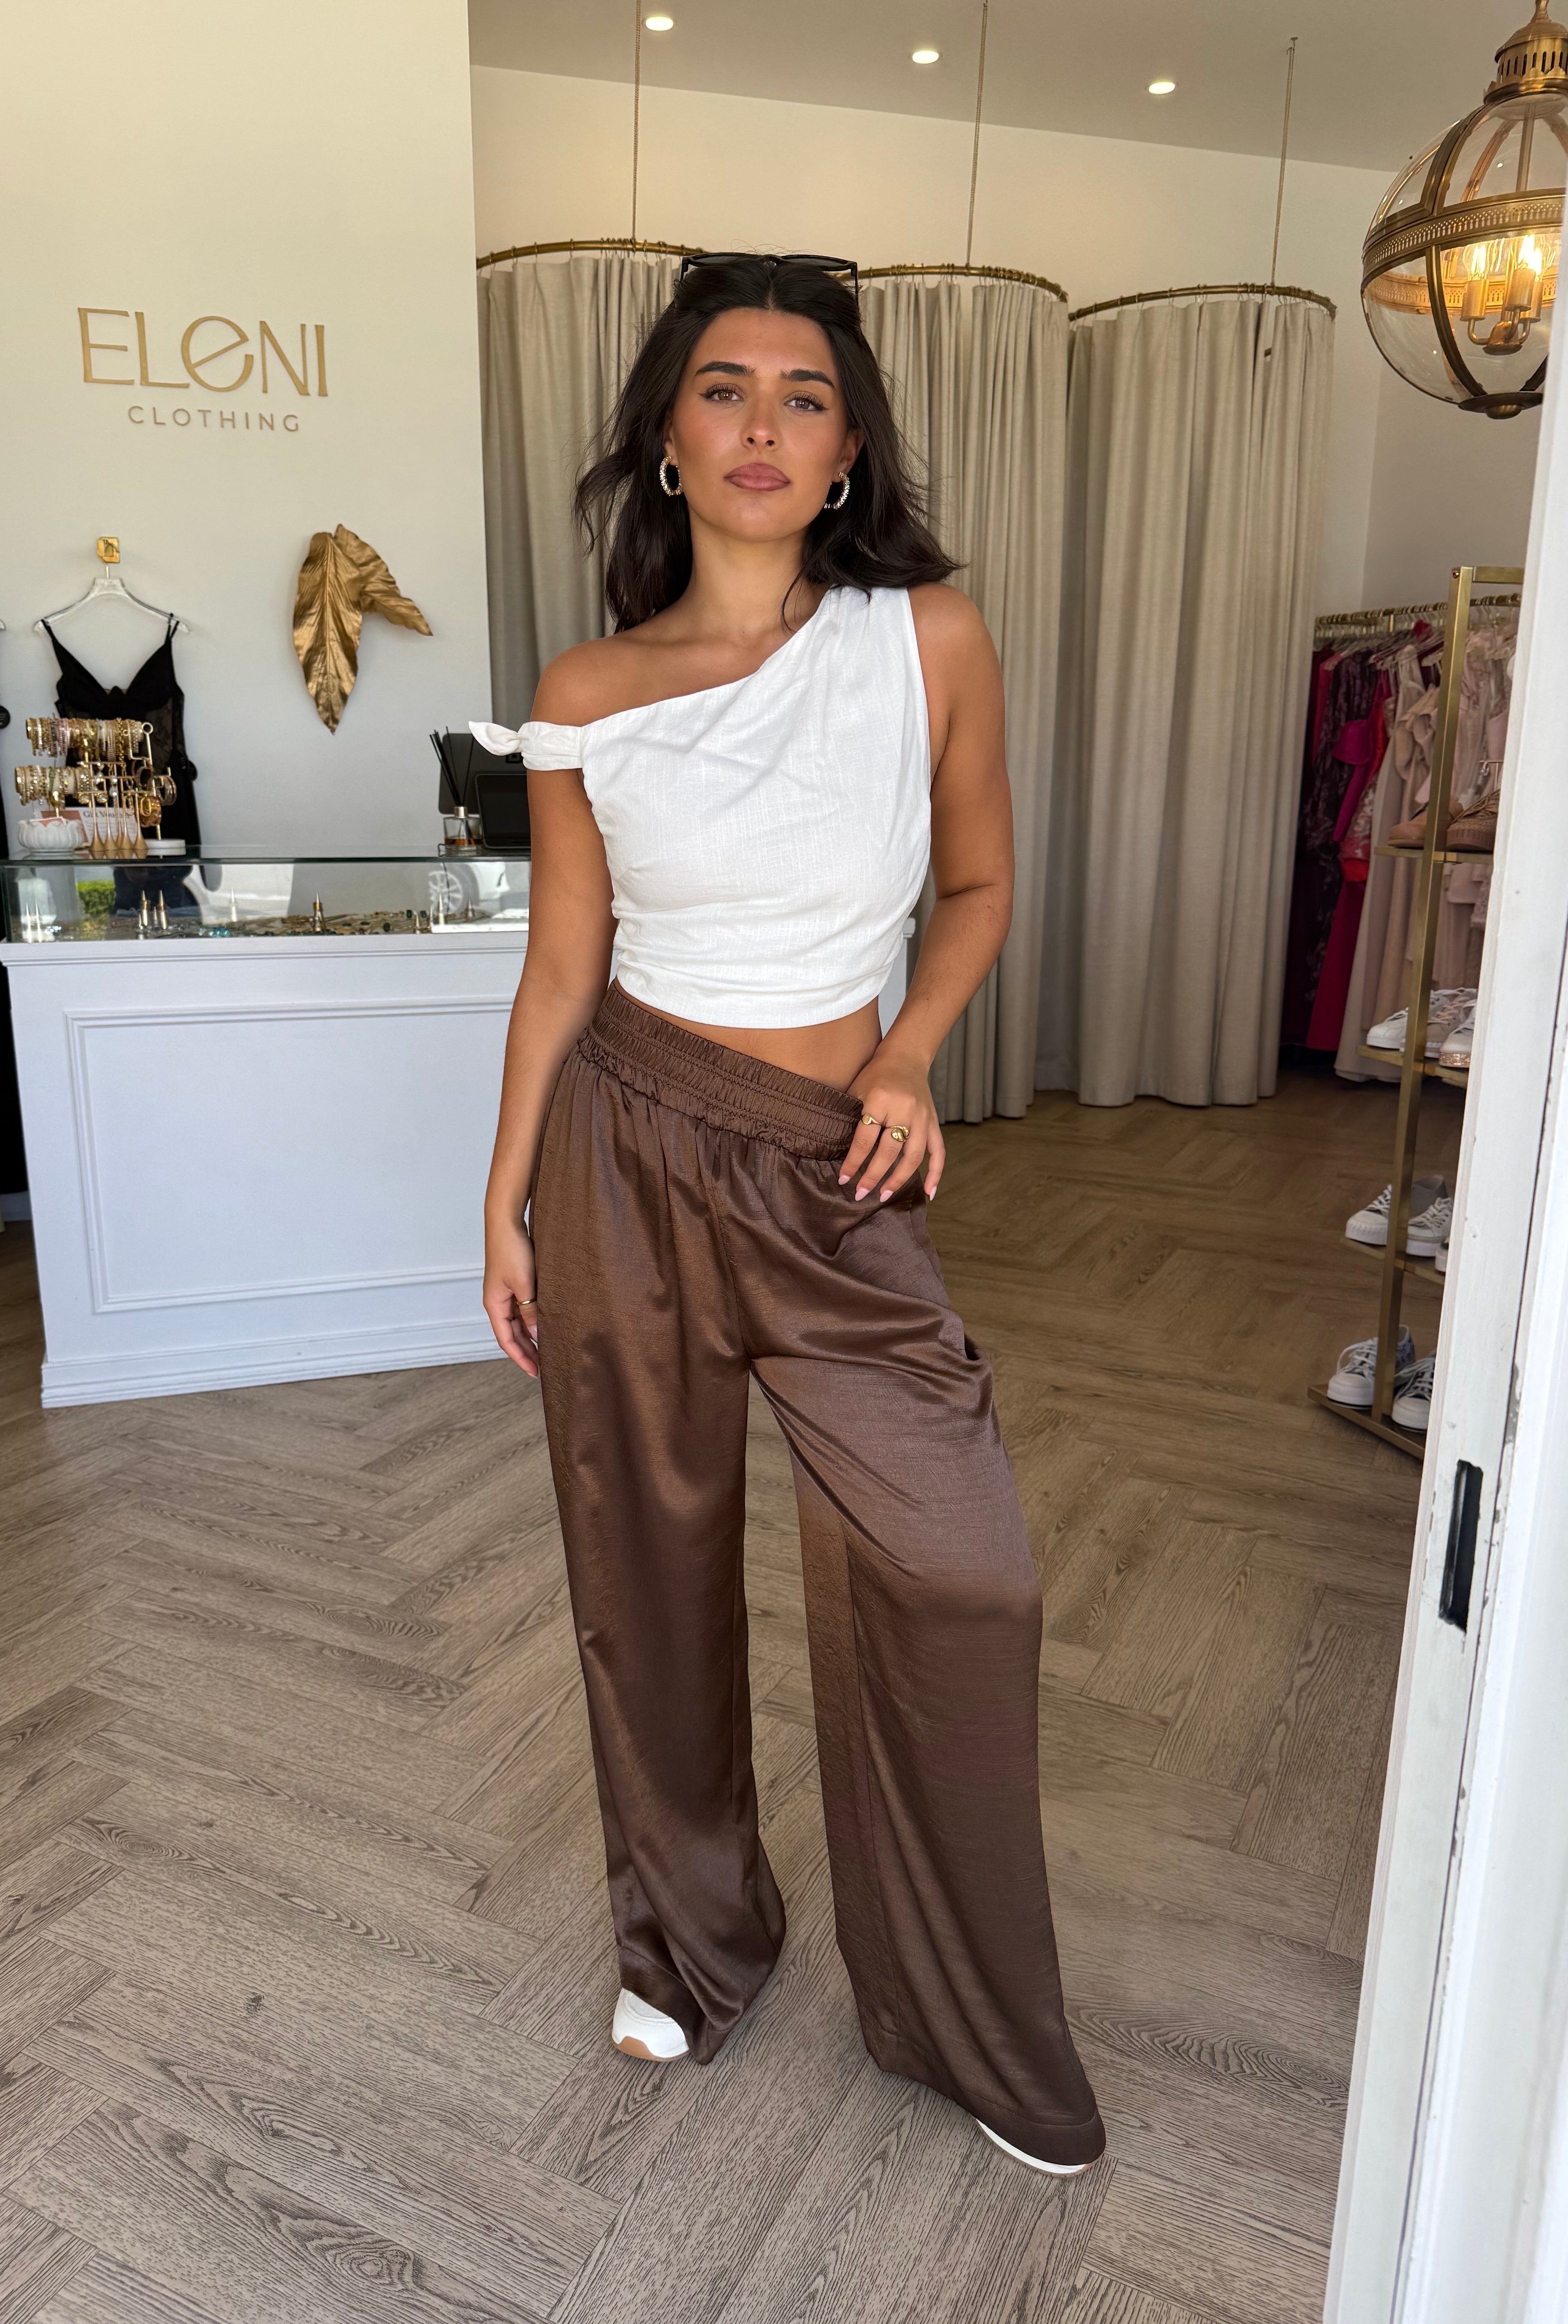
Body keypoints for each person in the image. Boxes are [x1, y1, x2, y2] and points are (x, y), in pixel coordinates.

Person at [473, 252, 1103, 2175]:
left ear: (847, 452)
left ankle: (960, 2019)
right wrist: (502, 1200)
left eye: (805, 396)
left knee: (964, 1572)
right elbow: (563, 964)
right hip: (625, 1145)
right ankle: (691, 1941)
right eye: (725, 389)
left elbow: (978, 888)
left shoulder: (927, 638)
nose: (763, 424)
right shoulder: (587, 694)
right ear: (669, 439)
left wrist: (908, 1059)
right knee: (642, 1566)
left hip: (835, 1163)